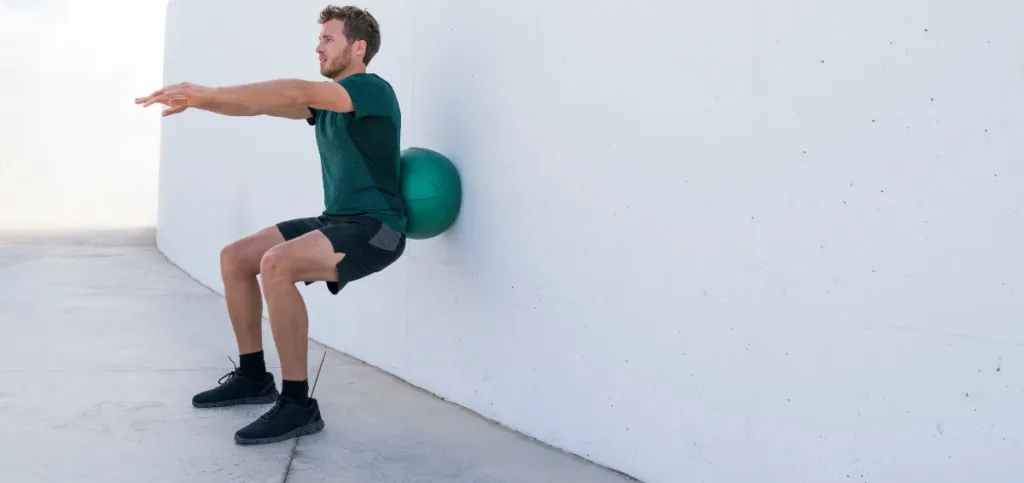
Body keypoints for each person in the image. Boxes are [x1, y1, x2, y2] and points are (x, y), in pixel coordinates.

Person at [135, 5, 405, 445]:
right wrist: (200, 99)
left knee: (277, 264)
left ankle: (298, 404)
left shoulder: (371, 89)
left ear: (358, 48)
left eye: (328, 39)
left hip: (378, 227)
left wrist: (209, 89)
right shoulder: (327, 106)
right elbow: (254, 105)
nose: (318, 46)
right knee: (237, 257)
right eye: (319, 39)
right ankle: (254, 376)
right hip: (338, 219)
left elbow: (298, 90)